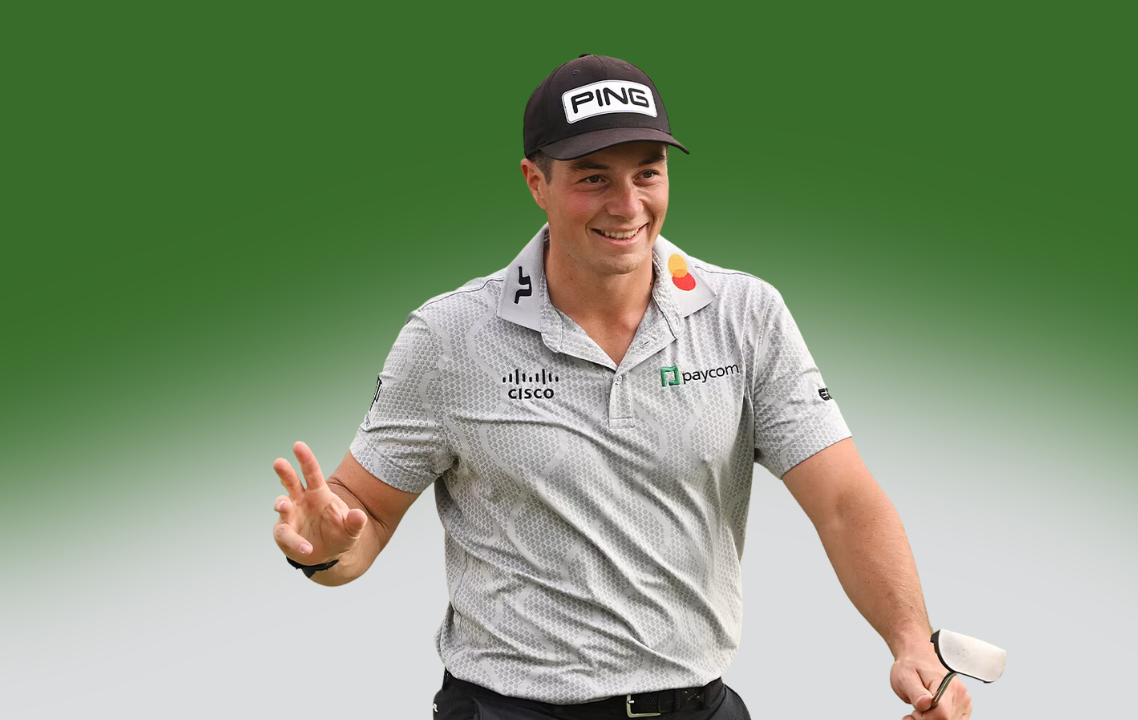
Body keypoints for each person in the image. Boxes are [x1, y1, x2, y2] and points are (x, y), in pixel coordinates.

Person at [270, 54, 972, 720]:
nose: (628, 204)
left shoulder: (745, 314)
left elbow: (844, 502)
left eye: (648, 173)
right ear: (535, 182)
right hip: (509, 707)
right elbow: (363, 515)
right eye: (593, 178)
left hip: (697, 703)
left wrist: (912, 640)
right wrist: (324, 551)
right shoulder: (450, 336)